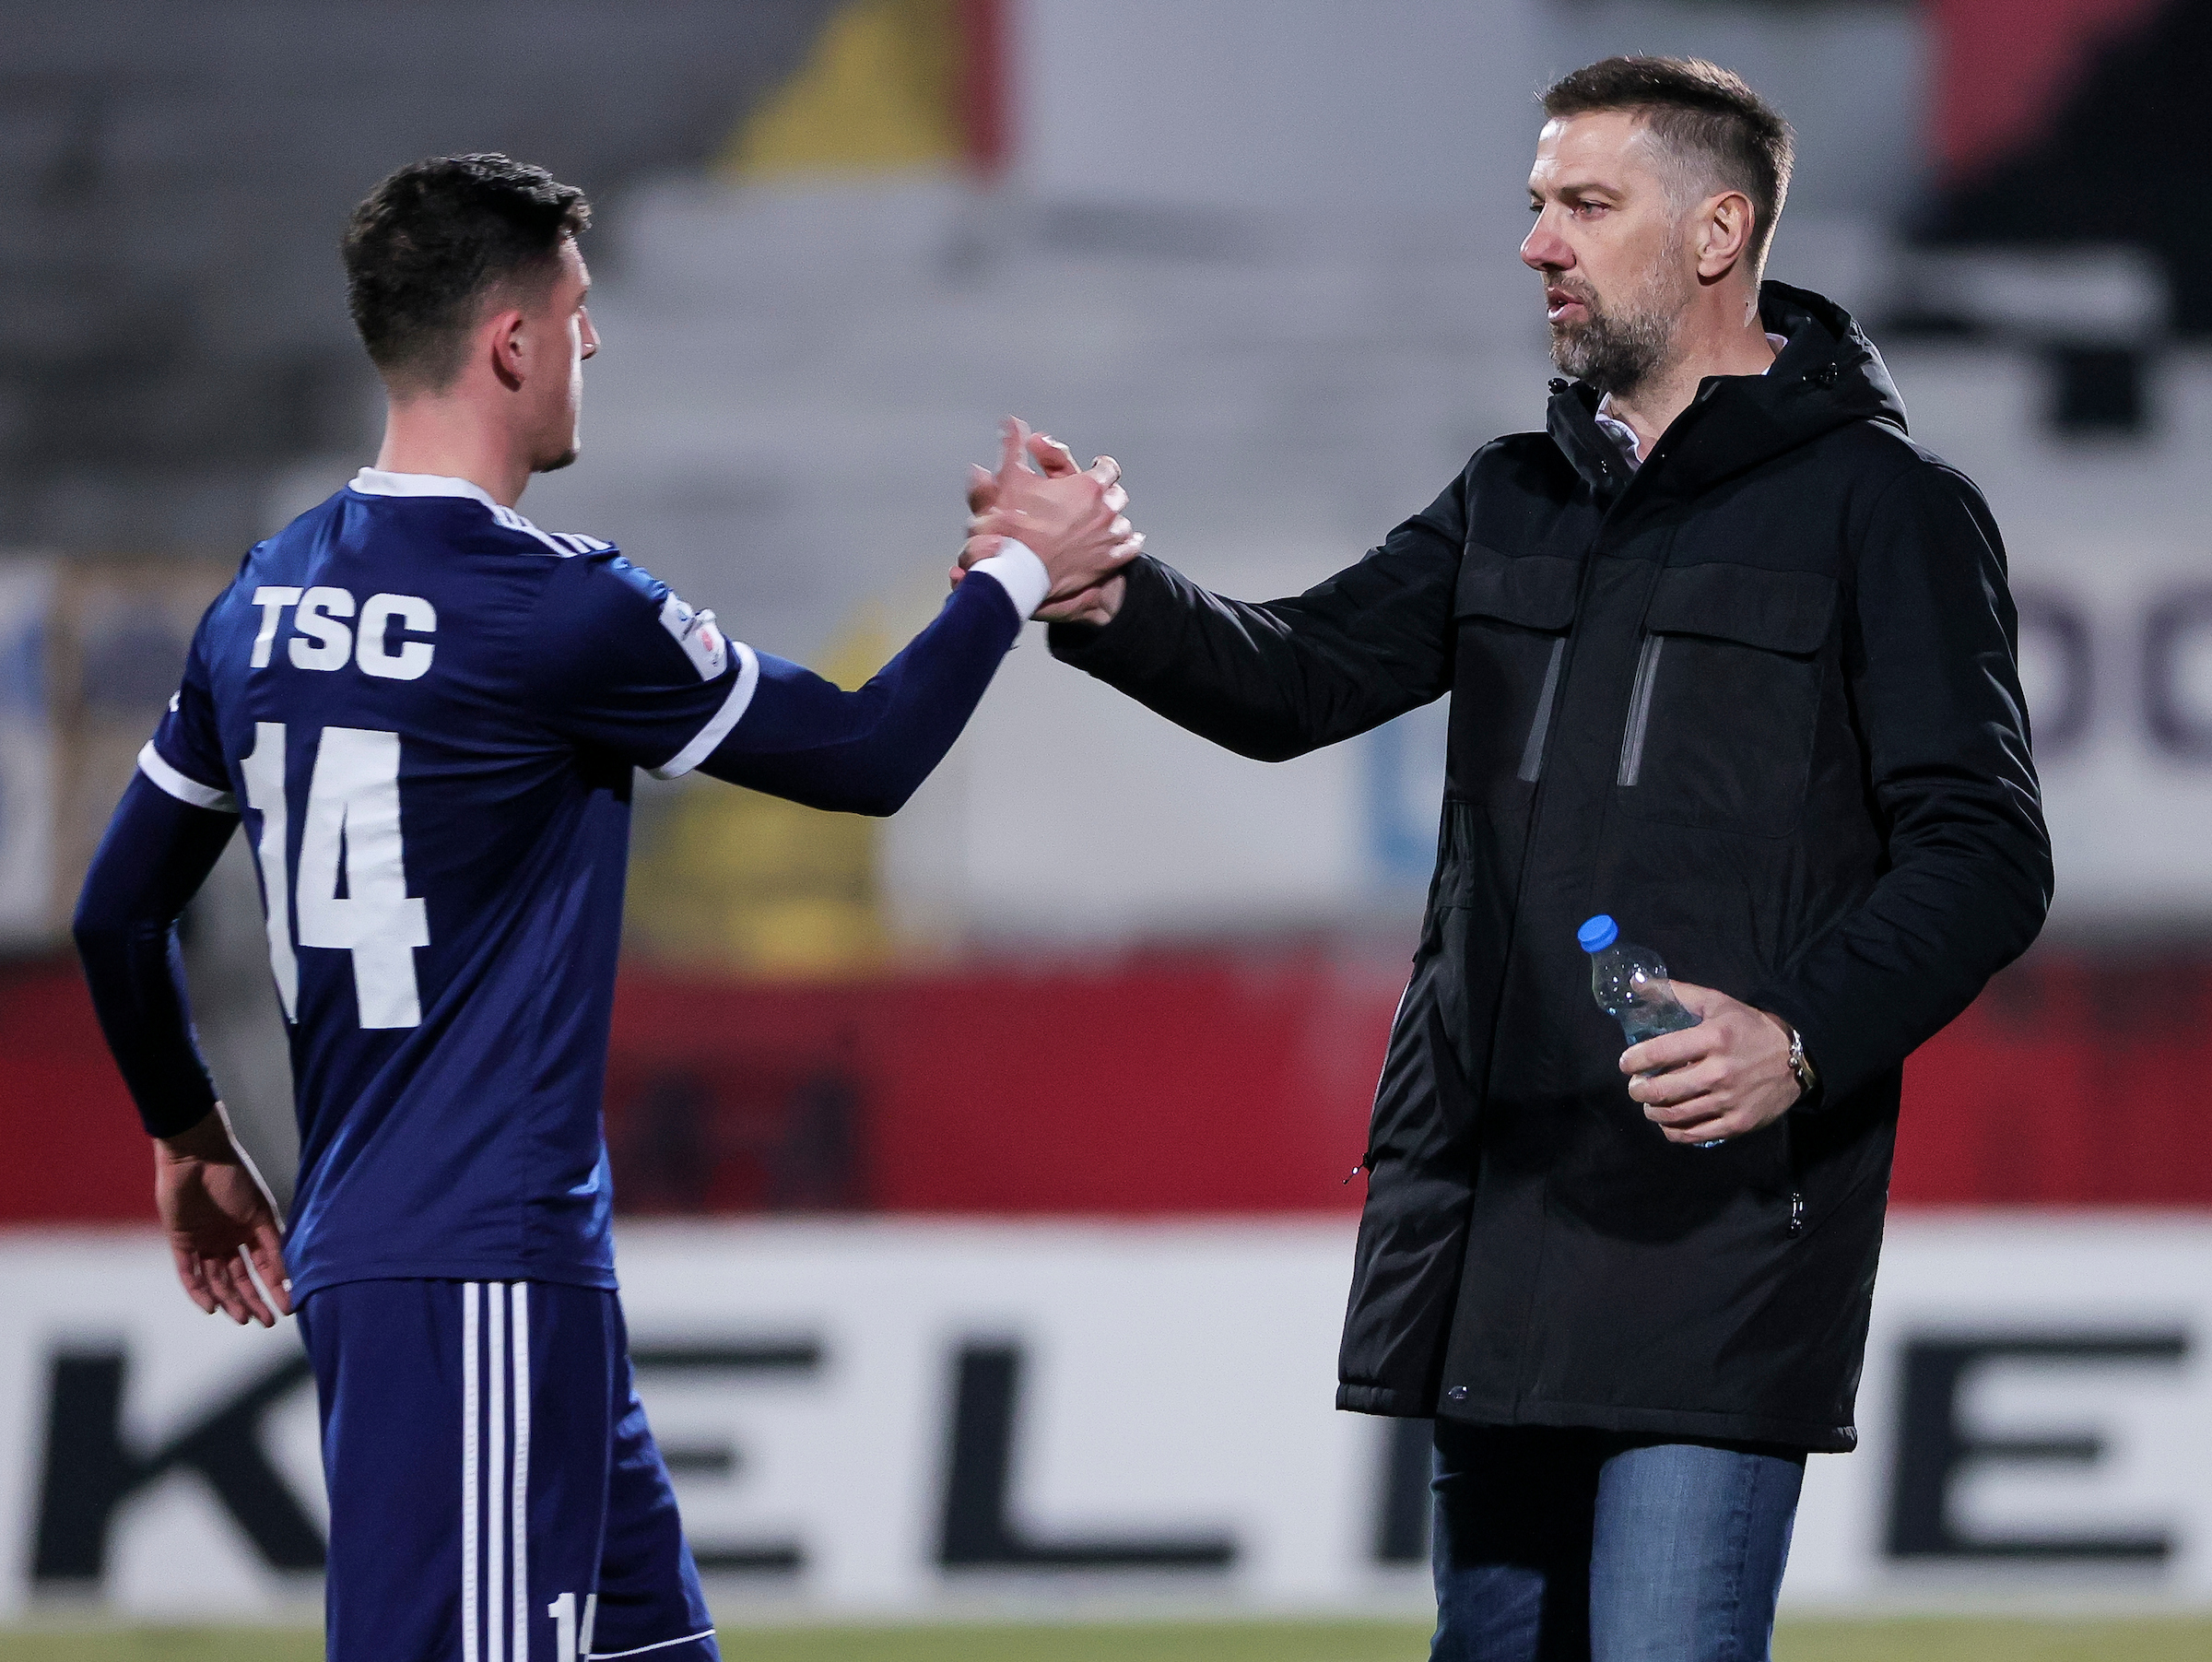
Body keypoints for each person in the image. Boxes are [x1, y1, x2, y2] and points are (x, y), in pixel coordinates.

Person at [966, 57, 2051, 1662]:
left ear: (1715, 232)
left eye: (1585, 205)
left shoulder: (1885, 509)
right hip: (1502, 1208)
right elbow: (1290, 679)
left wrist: (1803, 1036)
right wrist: (1110, 592)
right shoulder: (1509, 496)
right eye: (1537, 204)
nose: (1537, 242)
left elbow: (1984, 852)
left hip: (1722, 1229)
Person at [71, 153, 1137, 1662]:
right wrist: (1017, 571)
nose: (593, 346)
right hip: (480, 1268)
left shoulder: (262, 600)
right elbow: (864, 753)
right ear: (510, 340)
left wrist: (187, 1135)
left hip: (431, 1251)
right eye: (577, 312)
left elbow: (120, 916)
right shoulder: (550, 605)